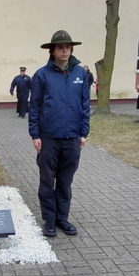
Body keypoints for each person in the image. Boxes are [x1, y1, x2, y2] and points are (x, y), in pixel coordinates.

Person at [28, 30, 90, 238]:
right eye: (60, 47)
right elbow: (34, 107)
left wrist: (84, 132)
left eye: (67, 47)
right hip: (48, 139)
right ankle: (50, 221)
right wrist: (35, 135)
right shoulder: (42, 75)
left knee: (65, 181)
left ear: (71, 49)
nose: (64, 50)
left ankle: (62, 218)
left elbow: (85, 104)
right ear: (52, 51)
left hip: (72, 138)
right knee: (47, 182)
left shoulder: (80, 73)